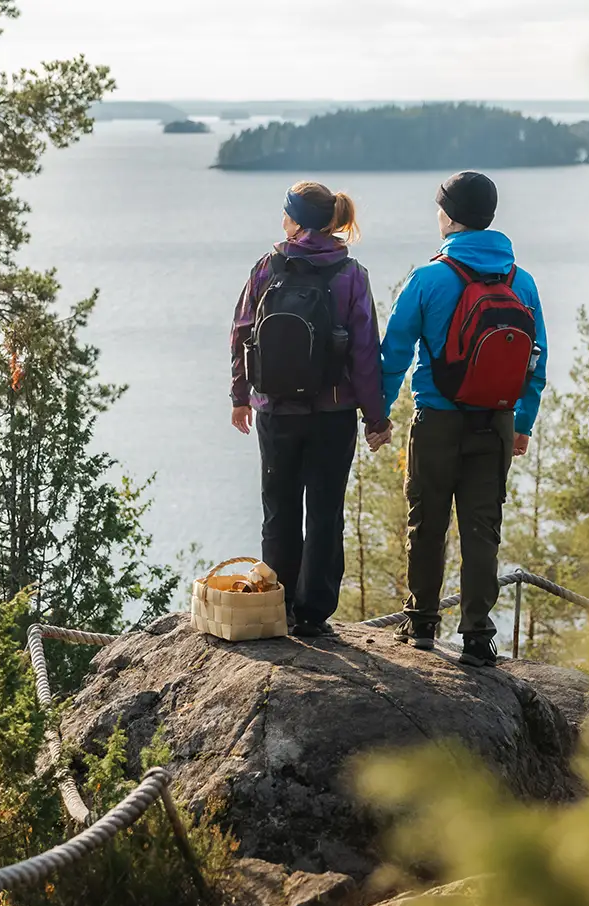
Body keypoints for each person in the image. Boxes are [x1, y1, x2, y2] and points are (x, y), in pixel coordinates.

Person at [379, 171, 548, 667]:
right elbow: (536, 359)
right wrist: (523, 423)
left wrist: (378, 413)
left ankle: (422, 625)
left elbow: (394, 352)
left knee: (426, 525)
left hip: (438, 421)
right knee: (482, 529)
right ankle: (477, 636)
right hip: (494, 422)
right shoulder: (523, 280)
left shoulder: (429, 277)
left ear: (451, 216)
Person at [230, 181, 391, 638]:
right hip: (332, 414)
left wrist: (240, 396)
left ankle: (276, 606)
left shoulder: (268, 266)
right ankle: (314, 615)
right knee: (325, 511)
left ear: (295, 219)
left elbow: (242, 333)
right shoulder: (351, 274)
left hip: (276, 409)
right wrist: (375, 419)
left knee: (278, 508)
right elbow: (364, 353)